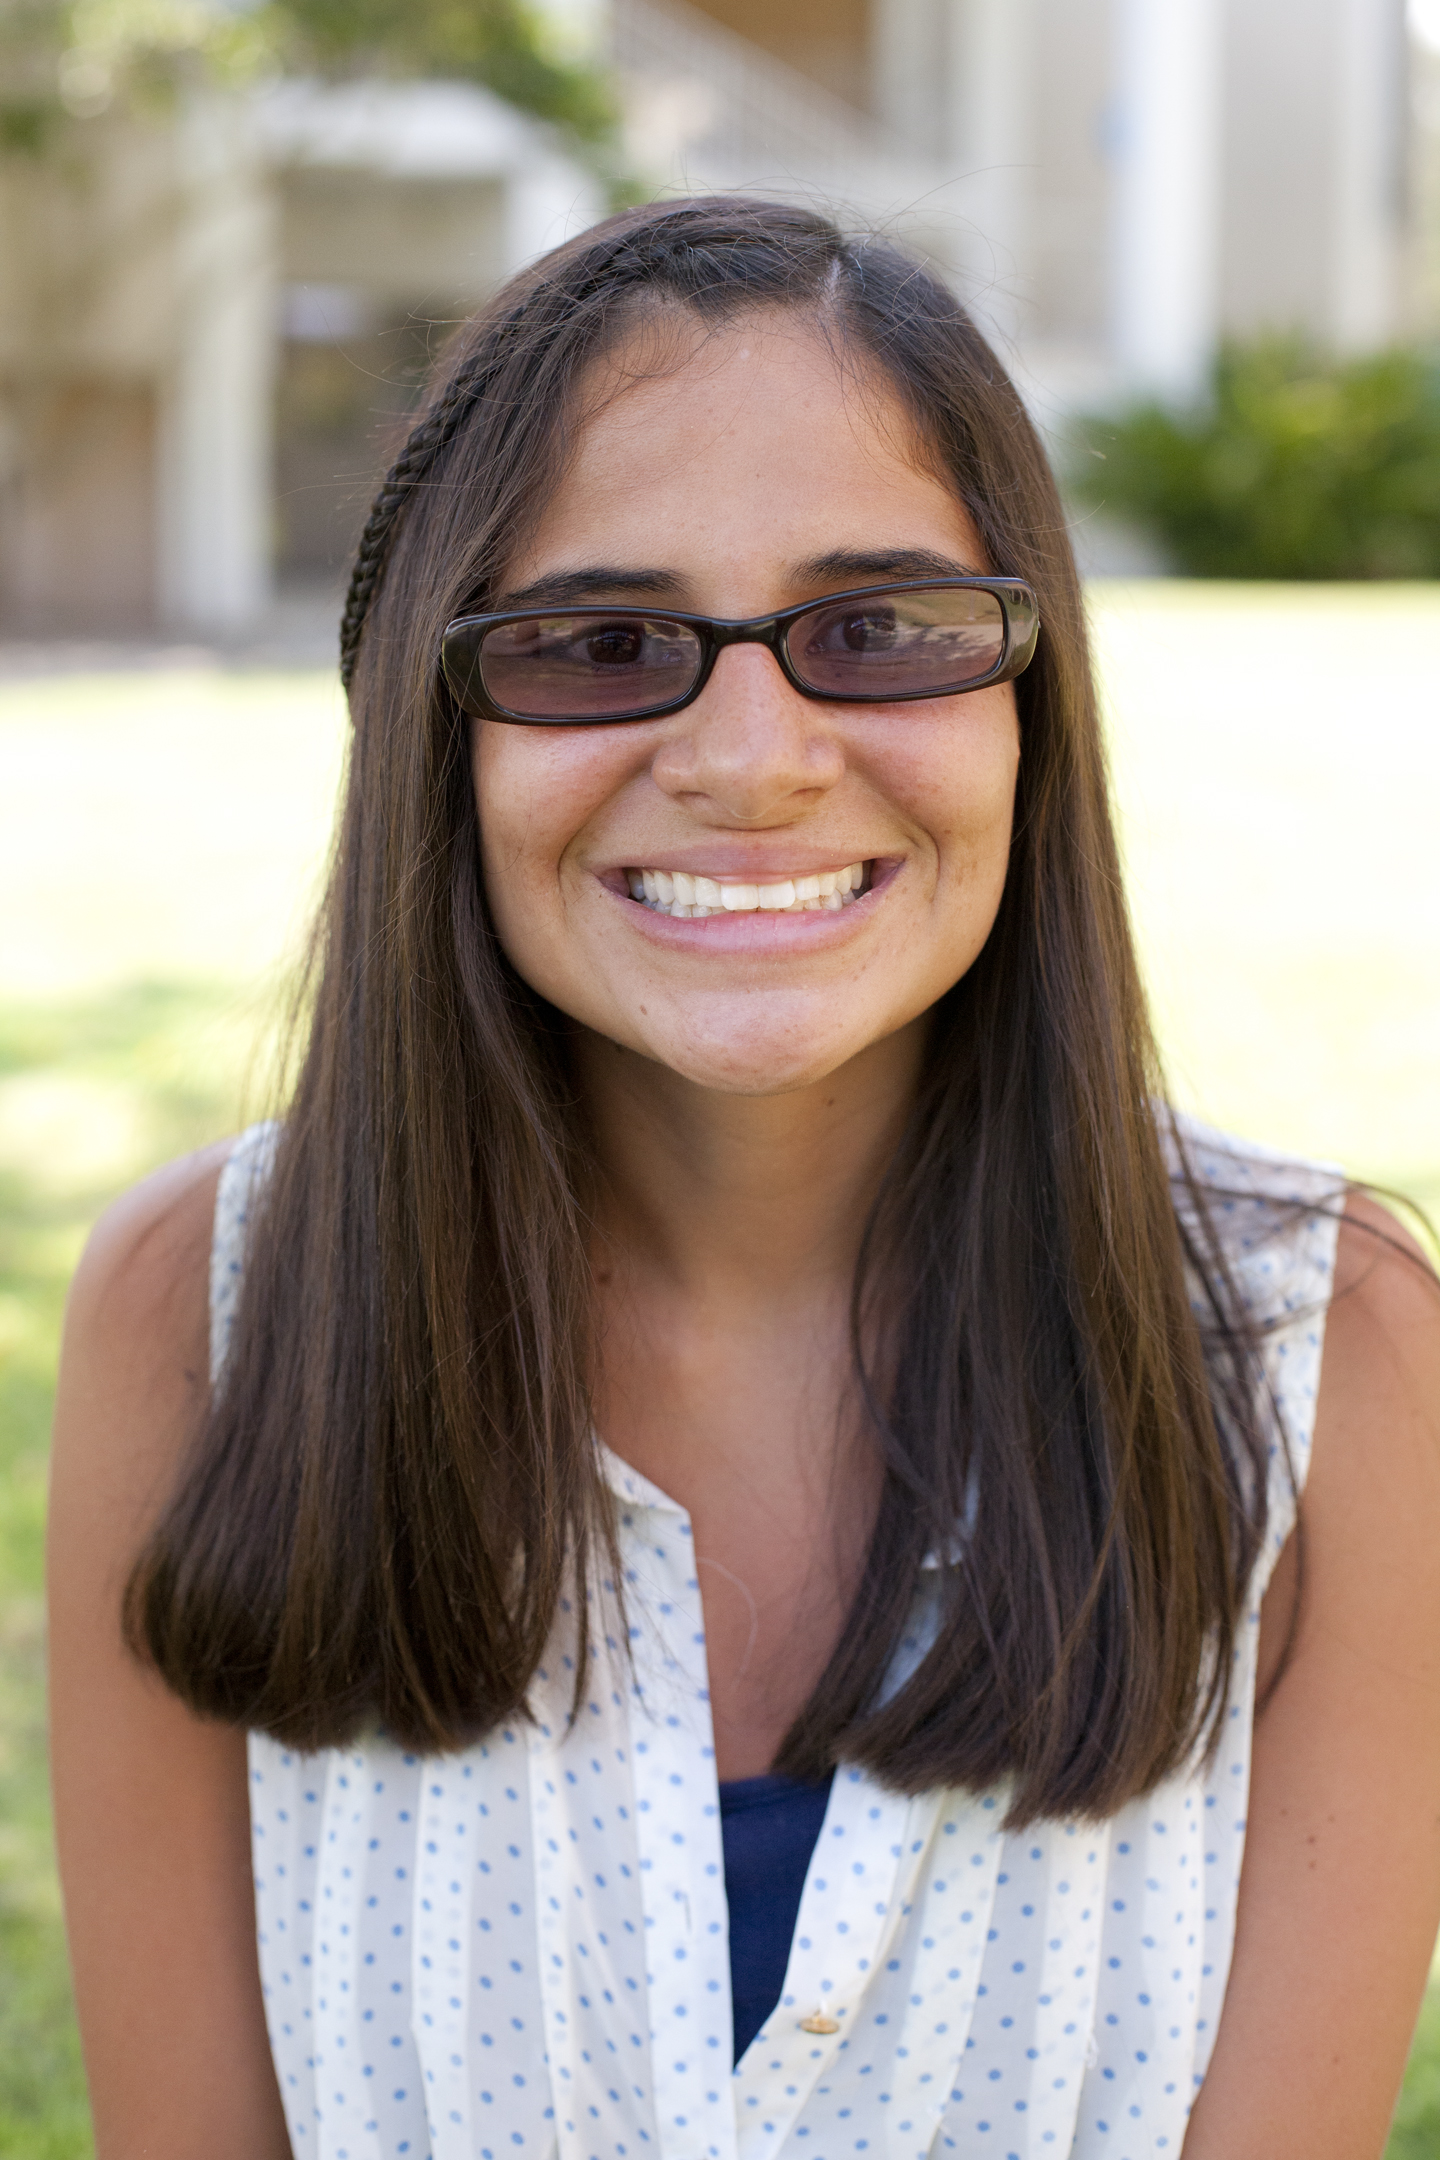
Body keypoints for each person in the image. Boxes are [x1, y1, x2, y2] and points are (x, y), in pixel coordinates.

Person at [48, 198, 1440, 2160]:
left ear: (1029, 701)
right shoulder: (195, 1315)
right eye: (600, 645)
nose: (754, 758)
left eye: (876, 630)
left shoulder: (1331, 1358)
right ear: (438, 731)